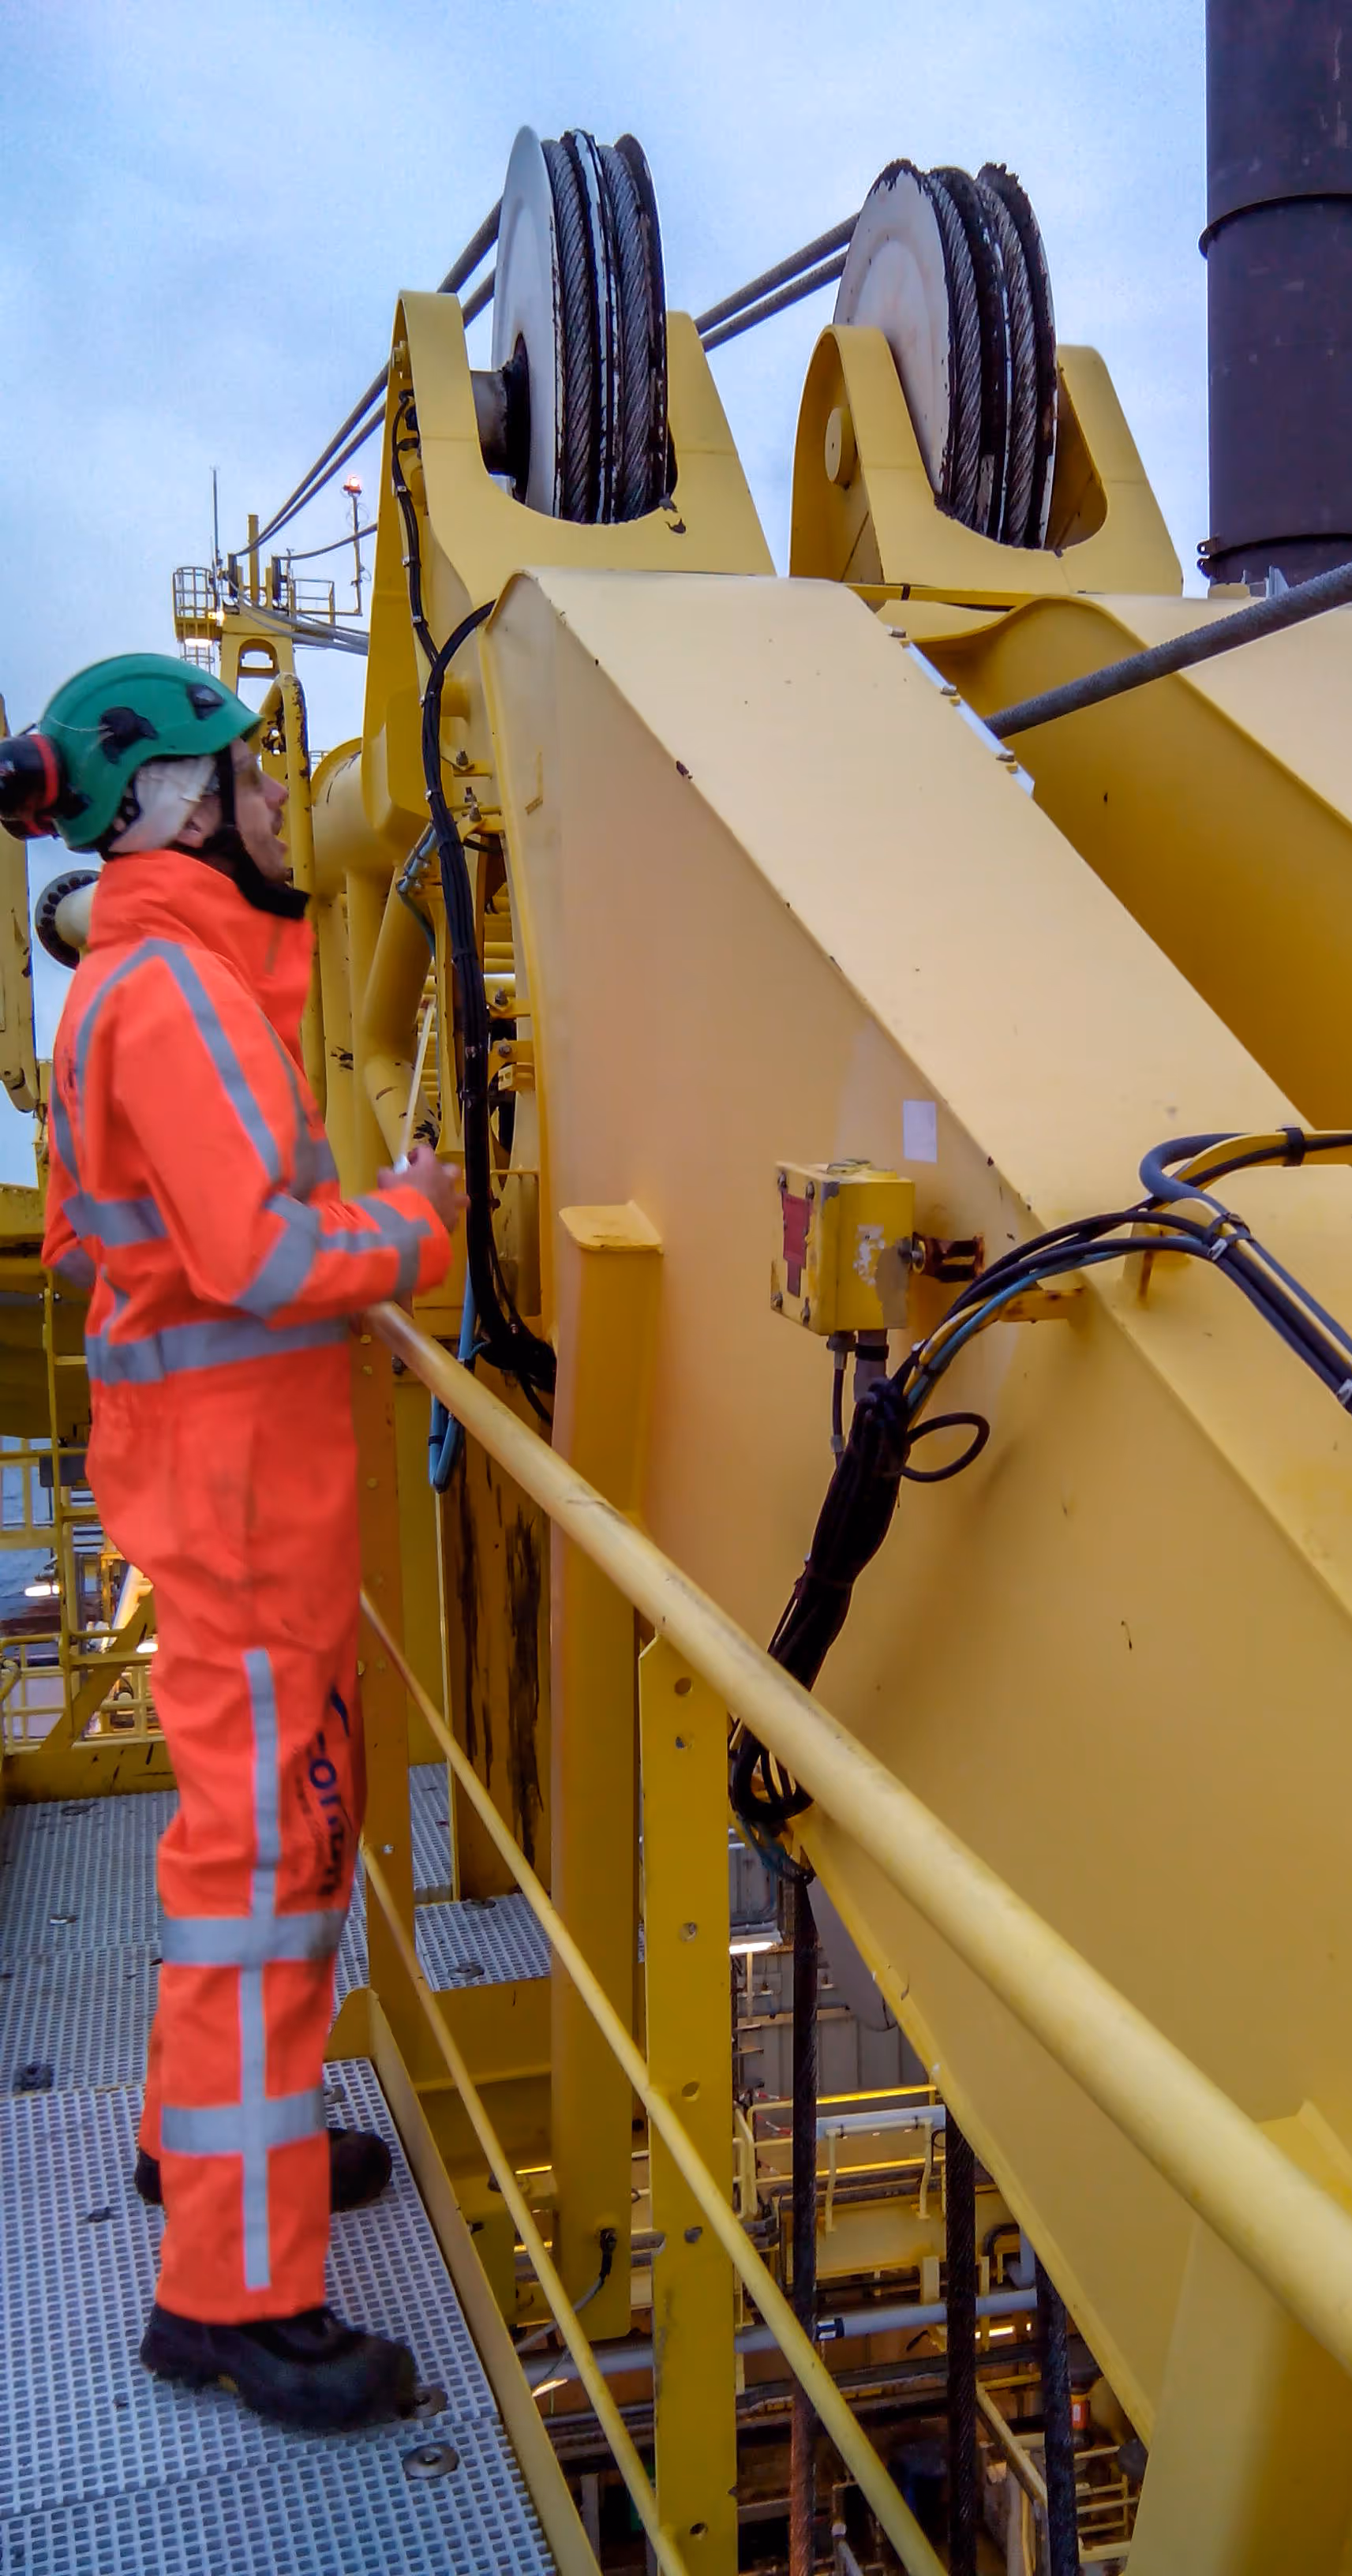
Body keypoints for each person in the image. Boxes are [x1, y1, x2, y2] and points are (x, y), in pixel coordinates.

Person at [29, 653, 463, 2431]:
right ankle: (232, 2295)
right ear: (178, 806)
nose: (285, 801)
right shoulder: (173, 1000)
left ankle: (199, 2150)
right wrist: (417, 1222)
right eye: (255, 777)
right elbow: (270, 1257)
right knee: (269, 1881)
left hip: (210, 1489)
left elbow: (115, 1234)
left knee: (239, 1861)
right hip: (243, 1508)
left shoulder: (147, 977)